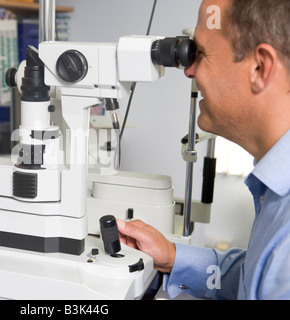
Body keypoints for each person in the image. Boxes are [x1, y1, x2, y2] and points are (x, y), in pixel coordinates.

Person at [117, 0, 290, 300]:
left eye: (202, 53)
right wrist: (173, 256)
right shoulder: (276, 192)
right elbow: (254, 275)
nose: (189, 70)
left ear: (260, 68)